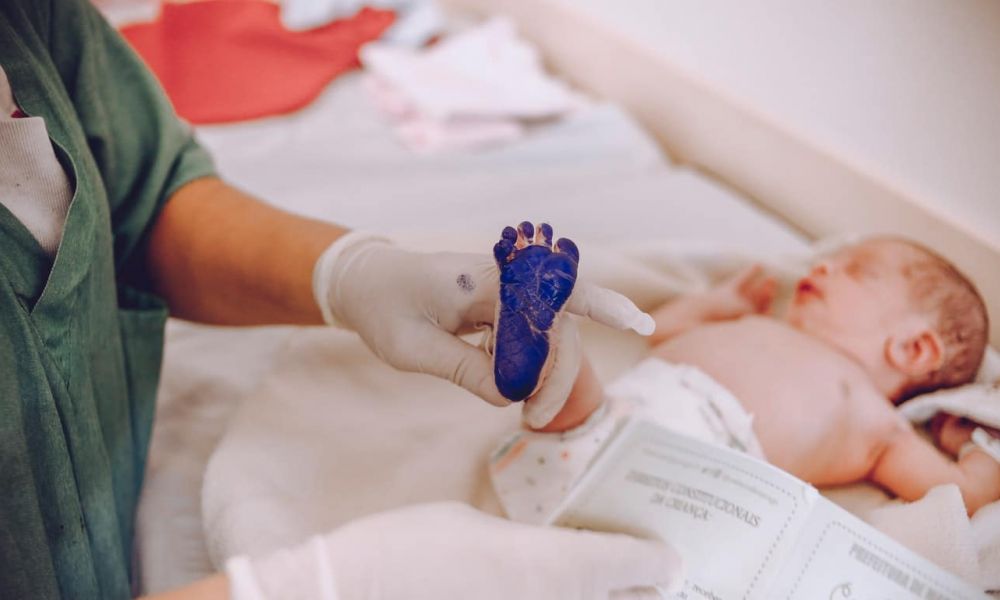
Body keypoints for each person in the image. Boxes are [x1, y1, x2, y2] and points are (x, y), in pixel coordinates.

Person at [0, 1, 683, 598]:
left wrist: (348, 274)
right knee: (593, 430)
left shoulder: (30, 23)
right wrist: (301, 589)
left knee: (584, 430)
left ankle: (547, 355)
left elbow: (139, 197)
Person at [490, 235, 999, 524]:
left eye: (857, 271)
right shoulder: (758, 326)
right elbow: (659, 331)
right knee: (576, 406)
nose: (823, 266)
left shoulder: (877, 421)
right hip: (612, 415)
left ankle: (545, 335)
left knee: (589, 423)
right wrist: (716, 305)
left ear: (913, 349)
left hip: (700, 463)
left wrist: (974, 442)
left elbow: (964, 494)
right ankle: (543, 333)